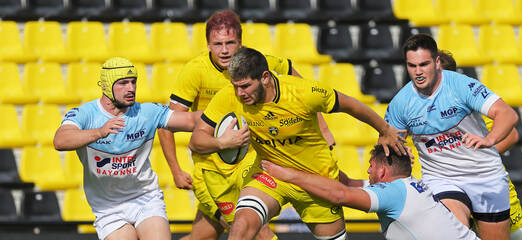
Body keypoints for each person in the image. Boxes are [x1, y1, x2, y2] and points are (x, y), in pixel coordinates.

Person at [189, 47, 407, 240]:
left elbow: (351, 105)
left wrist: (384, 129)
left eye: (245, 86)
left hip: (317, 181)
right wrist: (221, 142)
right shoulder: (230, 96)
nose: (239, 93)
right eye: (235, 86)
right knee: (241, 226)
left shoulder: (304, 92)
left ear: (265, 77)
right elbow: (196, 141)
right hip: (270, 174)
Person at [156, 10, 332, 240]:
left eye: (230, 43)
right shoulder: (195, 71)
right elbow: (166, 123)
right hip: (212, 172)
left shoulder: (258, 64)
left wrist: (325, 130)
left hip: (249, 164)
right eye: (217, 44)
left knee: (204, 236)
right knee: (257, 232)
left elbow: (302, 90)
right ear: (208, 45)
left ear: (240, 43)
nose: (225, 50)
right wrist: (176, 171)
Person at [384, 34, 519, 240]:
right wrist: (399, 153)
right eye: (412, 66)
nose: (418, 72)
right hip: (442, 179)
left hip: (486, 175)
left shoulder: (461, 85)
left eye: (424, 64)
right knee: (453, 233)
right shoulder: (400, 103)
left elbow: (508, 114)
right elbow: (389, 143)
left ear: (437, 62)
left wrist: (489, 140)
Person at [52, 57, 202, 240]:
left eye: (133, 82)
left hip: (145, 198)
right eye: (123, 83)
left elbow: (191, 120)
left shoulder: (147, 112)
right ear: (106, 86)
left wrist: (224, 112)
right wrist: (99, 132)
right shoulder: (85, 114)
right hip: (109, 209)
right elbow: (60, 140)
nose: (130, 88)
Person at [261, 145, 479, 240]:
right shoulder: (407, 186)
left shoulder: (391, 193)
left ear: (382, 170)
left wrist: (288, 175)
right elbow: (348, 184)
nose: (367, 170)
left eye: (371, 166)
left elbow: (341, 195)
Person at [437, 50, 522, 240]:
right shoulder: (419, 108)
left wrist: (476, 156)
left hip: (488, 186)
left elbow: (511, 136)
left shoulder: (471, 104)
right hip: (453, 191)